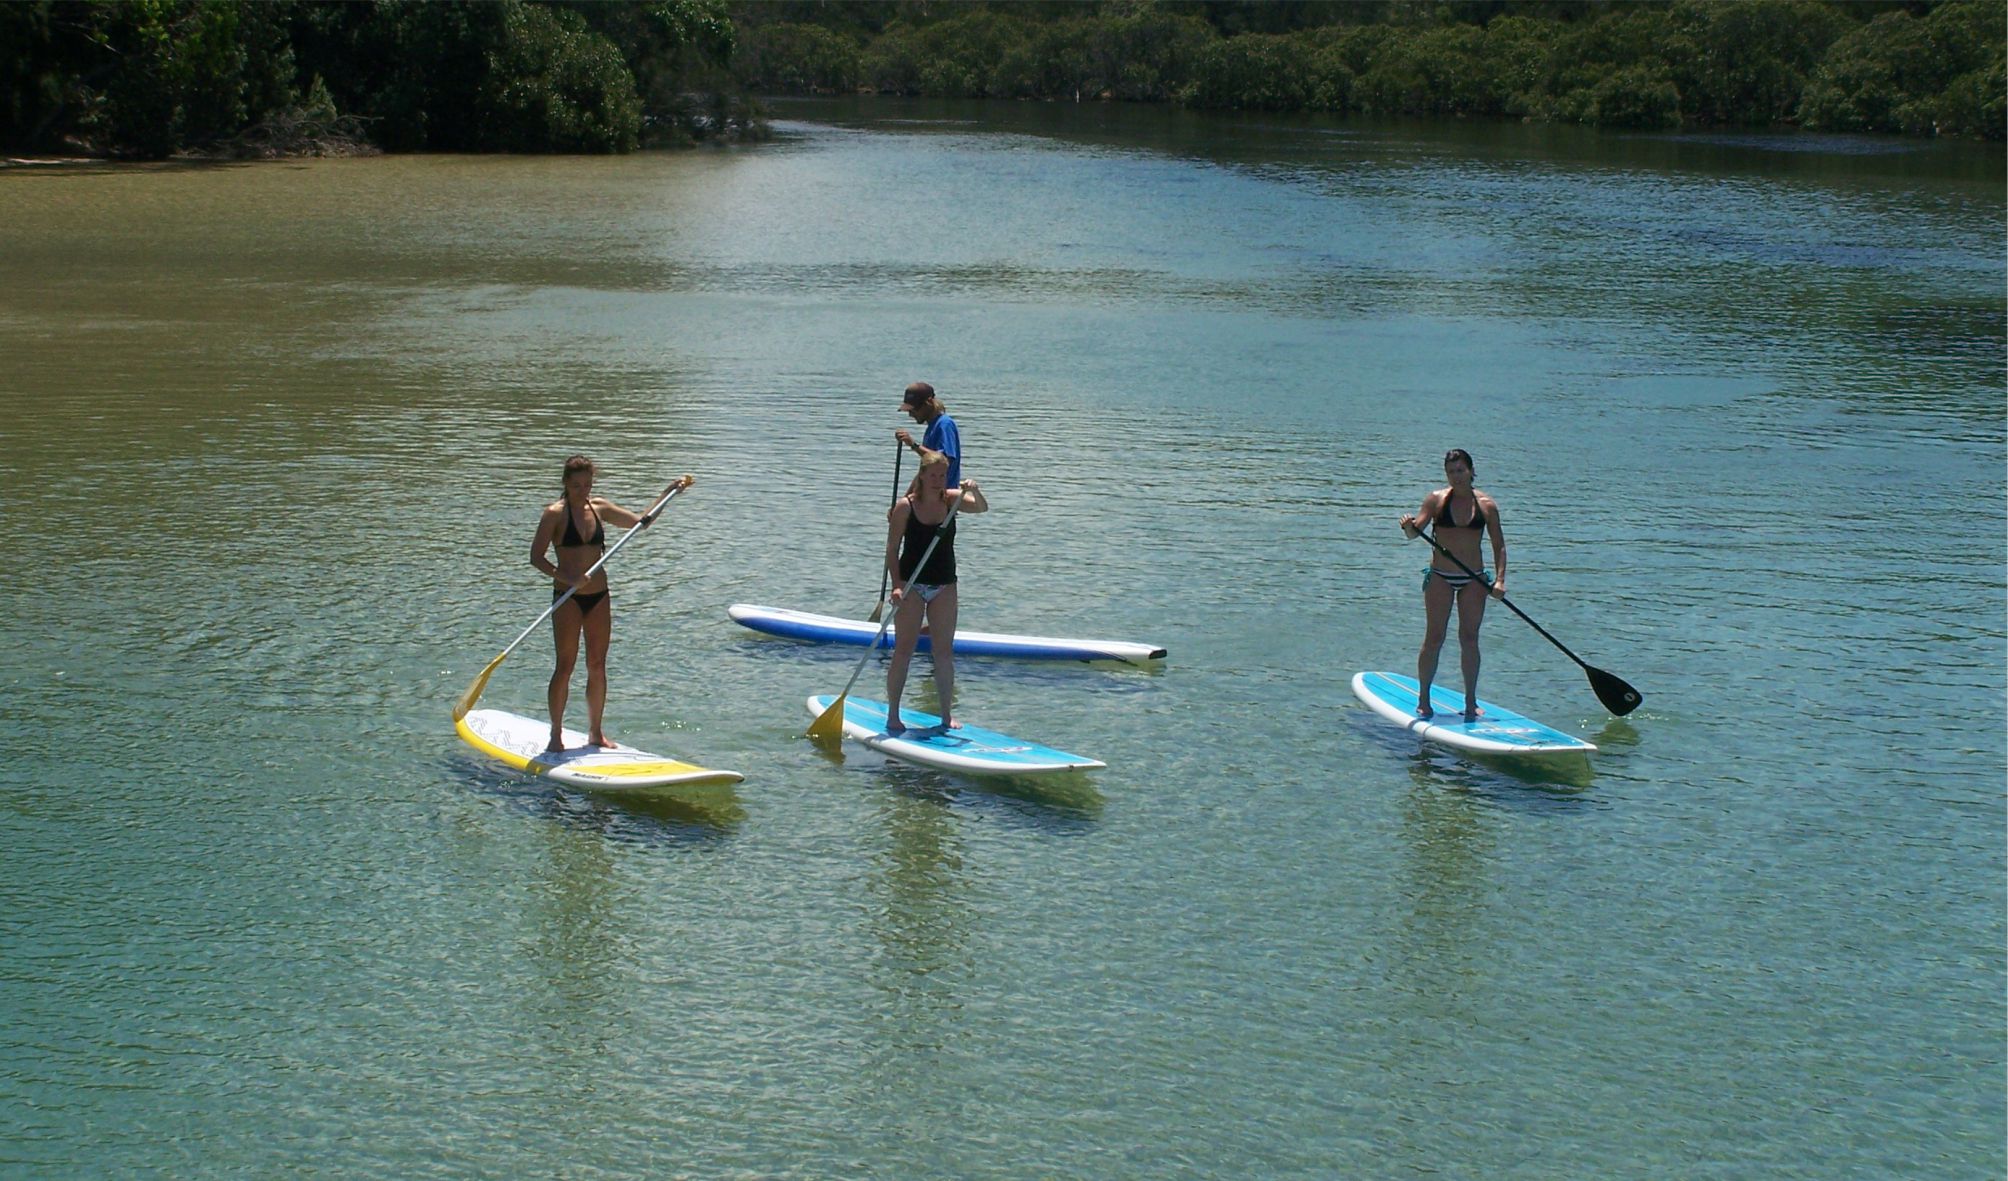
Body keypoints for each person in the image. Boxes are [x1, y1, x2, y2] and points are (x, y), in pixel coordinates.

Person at [529, 457, 681, 751]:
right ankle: (556, 734)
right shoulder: (554, 514)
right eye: (576, 486)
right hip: (567, 598)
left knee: (597, 665)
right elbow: (536, 557)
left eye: (587, 484)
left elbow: (640, 522)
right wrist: (566, 576)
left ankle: (596, 733)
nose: (582, 491)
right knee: (565, 665)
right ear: (565, 483)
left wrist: (667, 493)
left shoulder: (598, 507)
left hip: (599, 597)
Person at [883, 448, 987, 735]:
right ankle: (893, 714)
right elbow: (892, 549)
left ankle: (945, 715)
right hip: (911, 585)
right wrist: (897, 585)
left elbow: (981, 509)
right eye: (933, 475)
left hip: (944, 585)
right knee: (904, 650)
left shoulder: (952, 500)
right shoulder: (906, 506)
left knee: (943, 652)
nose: (938, 480)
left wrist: (975, 491)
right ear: (922, 475)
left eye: (942, 475)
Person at [1399, 448, 1506, 722]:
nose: (1456, 477)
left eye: (1460, 470)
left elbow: (1498, 545)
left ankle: (1471, 702)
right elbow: (1415, 533)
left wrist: (1500, 580)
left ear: (1470, 470)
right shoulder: (1436, 500)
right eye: (1451, 472)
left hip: (1474, 579)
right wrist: (1409, 526)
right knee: (1434, 638)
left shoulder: (1486, 505)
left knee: (1469, 639)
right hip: (1440, 577)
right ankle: (1424, 699)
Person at [894, 381, 961, 487]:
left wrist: (913, 445)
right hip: (929, 497)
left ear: (928, 403)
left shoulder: (945, 424)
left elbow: (942, 461)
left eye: (914, 410)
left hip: (942, 497)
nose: (910, 414)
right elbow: (926, 469)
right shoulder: (932, 427)